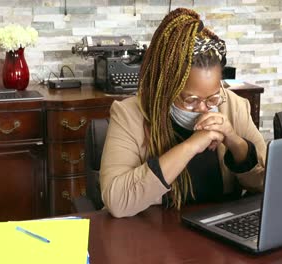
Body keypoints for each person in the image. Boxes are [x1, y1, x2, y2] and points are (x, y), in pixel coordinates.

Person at [100, 8, 266, 218]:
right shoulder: (129, 115)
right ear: (168, 88)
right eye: (191, 100)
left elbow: (265, 183)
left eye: (213, 98)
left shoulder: (233, 106)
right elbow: (117, 201)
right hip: (156, 236)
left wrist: (233, 140)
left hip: (220, 235)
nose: (204, 108)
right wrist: (191, 146)